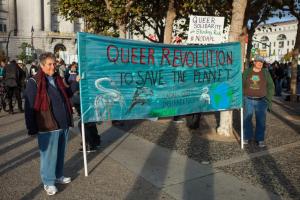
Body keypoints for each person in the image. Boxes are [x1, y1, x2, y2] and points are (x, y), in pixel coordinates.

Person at [24, 52, 74, 196]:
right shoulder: (34, 82)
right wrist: (31, 128)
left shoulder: (57, 78)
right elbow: (29, 107)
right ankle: (48, 182)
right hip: (47, 124)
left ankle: (58, 175)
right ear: (42, 65)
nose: (53, 67)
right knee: (48, 156)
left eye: (54, 63)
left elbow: (67, 94)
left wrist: (76, 82)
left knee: (60, 153)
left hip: (63, 122)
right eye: (50, 64)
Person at [243, 55, 274, 148]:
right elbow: (242, 84)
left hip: (261, 101)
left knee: (261, 120)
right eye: (258, 62)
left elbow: (271, 86)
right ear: (254, 62)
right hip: (248, 99)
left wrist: (268, 98)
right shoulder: (247, 72)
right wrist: (242, 97)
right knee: (247, 119)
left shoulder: (265, 73)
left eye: (262, 62)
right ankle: (247, 137)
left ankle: (260, 139)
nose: (260, 63)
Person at [70, 81, 101, 152]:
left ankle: (90, 144)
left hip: (89, 113)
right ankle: (96, 141)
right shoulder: (83, 92)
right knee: (91, 125)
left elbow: (72, 102)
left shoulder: (76, 96)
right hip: (92, 113)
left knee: (82, 125)